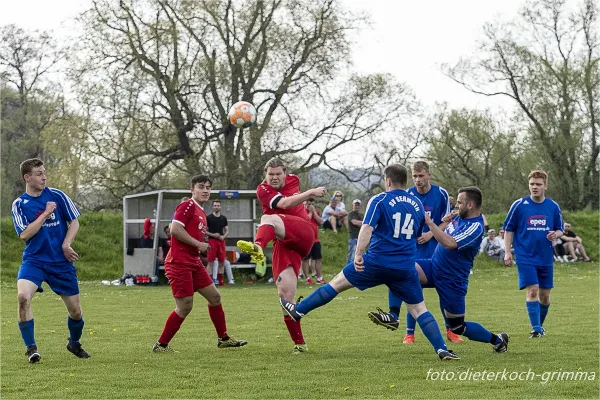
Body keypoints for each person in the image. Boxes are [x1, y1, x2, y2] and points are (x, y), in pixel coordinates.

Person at [279, 164, 459, 361]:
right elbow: (416, 235)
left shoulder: (380, 199)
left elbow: (366, 228)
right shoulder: (417, 204)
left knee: (336, 284)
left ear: (388, 181)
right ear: (406, 181)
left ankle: (298, 311)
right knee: (419, 309)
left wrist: (358, 254)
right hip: (405, 267)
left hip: (375, 262)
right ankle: (442, 349)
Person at [368, 186, 509, 354]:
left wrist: (430, 223)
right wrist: (452, 216)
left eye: (459, 202)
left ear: (470, 205)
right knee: (399, 269)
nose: (455, 206)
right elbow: (454, 218)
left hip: (452, 280)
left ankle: (498, 340)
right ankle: (393, 315)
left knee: (457, 327)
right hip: (433, 266)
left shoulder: (475, 227)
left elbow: (450, 243)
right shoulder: (460, 216)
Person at [237, 158, 327, 354]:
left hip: (303, 233)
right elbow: (285, 203)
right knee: (285, 295)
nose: (275, 177)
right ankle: (300, 344)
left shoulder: (294, 180)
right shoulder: (263, 190)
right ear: (265, 175)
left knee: (267, 218)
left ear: (285, 173)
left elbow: (288, 203)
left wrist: (308, 194)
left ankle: (258, 247)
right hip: (284, 241)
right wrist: (310, 192)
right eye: (271, 174)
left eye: (278, 174)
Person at [153, 175, 247, 351]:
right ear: (192, 189)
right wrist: (198, 244)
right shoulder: (187, 205)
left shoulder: (201, 212)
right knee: (185, 306)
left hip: (193, 262)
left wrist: (199, 247)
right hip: (179, 263)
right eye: (201, 186)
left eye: (208, 187)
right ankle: (161, 345)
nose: (205, 190)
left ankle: (223, 338)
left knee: (215, 297)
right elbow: (174, 229)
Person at [11, 158, 89, 363]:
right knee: (22, 298)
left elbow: (74, 222)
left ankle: (74, 343)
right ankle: (31, 349)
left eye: (44, 172)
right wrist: (45, 213)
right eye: (38, 173)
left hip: (60, 263)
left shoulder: (58, 195)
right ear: (27, 178)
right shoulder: (20, 204)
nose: (44, 176)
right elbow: (25, 234)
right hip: (34, 261)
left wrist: (66, 244)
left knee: (76, 312)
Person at [388, 161, 460, 344]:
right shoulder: (408, 195)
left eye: (421, 175)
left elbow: (447, 221)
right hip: (414, 250)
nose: (418, 179)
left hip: (436, 249)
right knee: (412, 289)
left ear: (429, 175)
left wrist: (430, 233)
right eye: (415, 176)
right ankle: (409, 333)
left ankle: (451, 331)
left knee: (443, 289)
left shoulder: (441, 193)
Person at [503, 170, 564, 338]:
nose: (534, 187)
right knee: (533, 291)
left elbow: (561, 229)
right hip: (525, 256)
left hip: (545, 257)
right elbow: (508, 229)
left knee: (545, 297)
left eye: (538, 184)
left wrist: (555, 234)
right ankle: (536, 330)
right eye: (532, 184)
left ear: (545, 185)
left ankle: (539, 326)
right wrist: (507, 252)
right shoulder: (519, 205)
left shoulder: (553, 206)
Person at [300, 198, 325, 285]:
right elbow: (306, 221)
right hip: (306, 240)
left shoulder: (316, 212)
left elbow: (320, 221)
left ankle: (319, 277)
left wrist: (314, 212)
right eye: (308, 204)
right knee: (306, 259)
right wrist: (310, 212)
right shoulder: (302, 211)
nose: (310, 206)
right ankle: (307, 278)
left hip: (316, 239)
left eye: (312, 204)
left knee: (318, 259)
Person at [206, 200, 230, 286]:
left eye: (218, 205)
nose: (217, 207)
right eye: (215, 205)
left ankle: (221, 282)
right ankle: (209, 282)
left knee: (222, 262)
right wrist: (213, 235)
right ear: (212, 207)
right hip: (211, 241)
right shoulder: (208, 218)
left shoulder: (224, 218)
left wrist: (223, 237)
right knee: (210, 262)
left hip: (221, 241)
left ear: (220, 207)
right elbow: (204, 231)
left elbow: (227, 230)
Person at [346, 199, 363, 265]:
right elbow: (355, 222)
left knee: (361, 256)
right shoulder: (351, 214)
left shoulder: (361, 215)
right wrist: (364, 223)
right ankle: (347, 269)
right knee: (351, 255)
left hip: (360, 238)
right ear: (353, 205)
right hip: (353, 237)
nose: (357, 206)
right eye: (356, 205)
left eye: (358, 205)